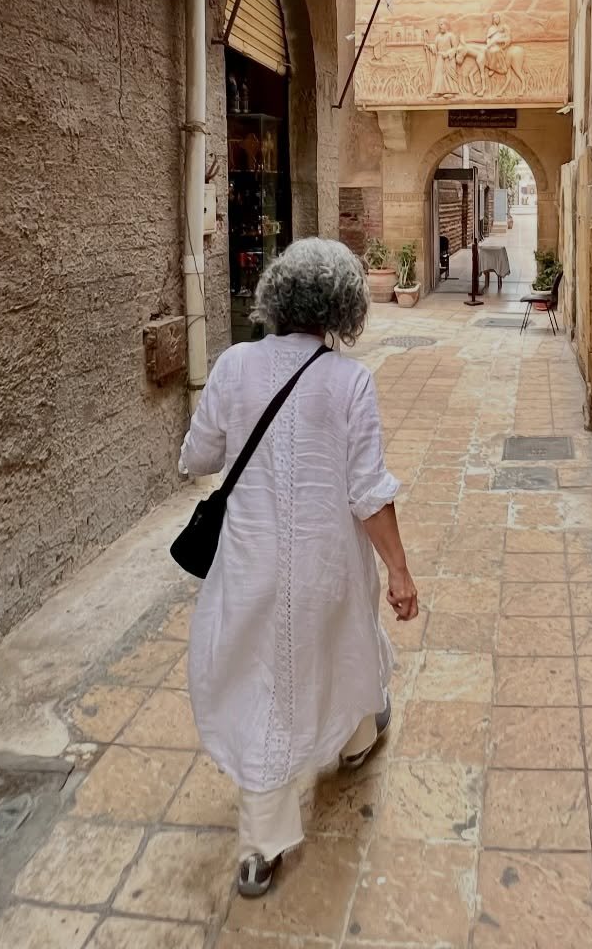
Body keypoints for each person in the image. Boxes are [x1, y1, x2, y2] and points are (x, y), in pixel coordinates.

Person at [178, 238, 417, 898]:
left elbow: (197, 458)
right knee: (339, 643)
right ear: (343, 307)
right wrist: (399, 570)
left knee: (264, 682)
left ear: (275, 298)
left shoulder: (232, 366)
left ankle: (260, 850)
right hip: (328, 564)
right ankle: (355, 738)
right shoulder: (350, 380)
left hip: (248, 564)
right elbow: (368, 491)